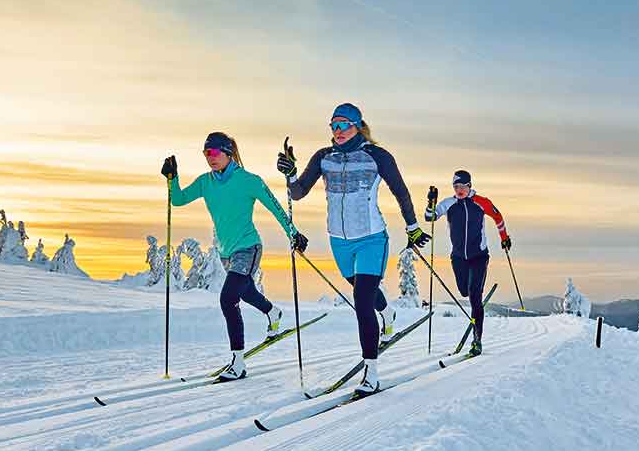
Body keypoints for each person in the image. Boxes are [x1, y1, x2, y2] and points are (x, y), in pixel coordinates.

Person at [277, 103, 428, 394]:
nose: (338, 131)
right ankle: (388, 313)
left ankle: (370, 371)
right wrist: (292, 174)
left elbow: (401, 191)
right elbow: (297, 193)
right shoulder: (324, 157)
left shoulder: (377, 156)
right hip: (339, 241)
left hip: (372, 238)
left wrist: (412, 227)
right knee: (362, 290)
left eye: (344, 125)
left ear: (358, 125)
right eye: (333, 126)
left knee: (361, 300)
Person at [162, 132, 307, 380]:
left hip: (248, 247)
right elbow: (178, 200)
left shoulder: (249, 180)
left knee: (228, 299)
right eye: (207, 153)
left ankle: (238, 363)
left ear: (228, 153)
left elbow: (275, 206)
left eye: (216, 152)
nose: (211, 158)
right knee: (245, 291)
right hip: (226, 252)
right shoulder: (205, 182)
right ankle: (273, 313)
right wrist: (171, 178)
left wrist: (293, 233)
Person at [423, 169, 510, 356]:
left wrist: (504, 237)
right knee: (464, 290)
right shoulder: (449, 203)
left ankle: (477, 340)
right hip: (458, 257)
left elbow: (498, 216)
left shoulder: (481, 202)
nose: (459, 190)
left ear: (469, 186)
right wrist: (430, 203)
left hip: (479, 256)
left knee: (474, 296)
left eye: (462, 186)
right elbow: (430, 217)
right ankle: (474, 292)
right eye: (456, 186)